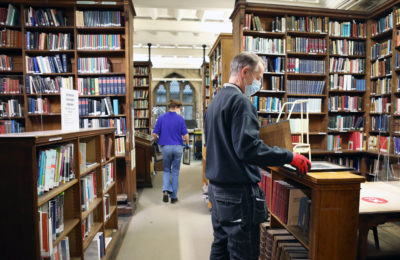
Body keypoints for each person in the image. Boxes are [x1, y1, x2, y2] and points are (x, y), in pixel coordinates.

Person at [204, 52, 311, 260]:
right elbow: (248, 149)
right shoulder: (241, 102)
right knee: (244, 253)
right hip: (237, 195)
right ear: (245, 72)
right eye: (259, 77)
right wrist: (289, 156)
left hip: (216, 190)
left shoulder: (215, 102)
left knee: (221, 246)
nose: (259, 83)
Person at [152, 100, 190, 203]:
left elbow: (154, 134)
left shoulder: (161, 118)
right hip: (177, 147)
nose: (180, 111)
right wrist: (187, 144)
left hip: (166, 148)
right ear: (176, 107)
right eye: (180, 109)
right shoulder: (180, 119)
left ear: (169, 107)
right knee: (175, 172)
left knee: (167, 170)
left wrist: (158, 139)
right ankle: (173, 198)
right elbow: (186, 135)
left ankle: (165, 190)